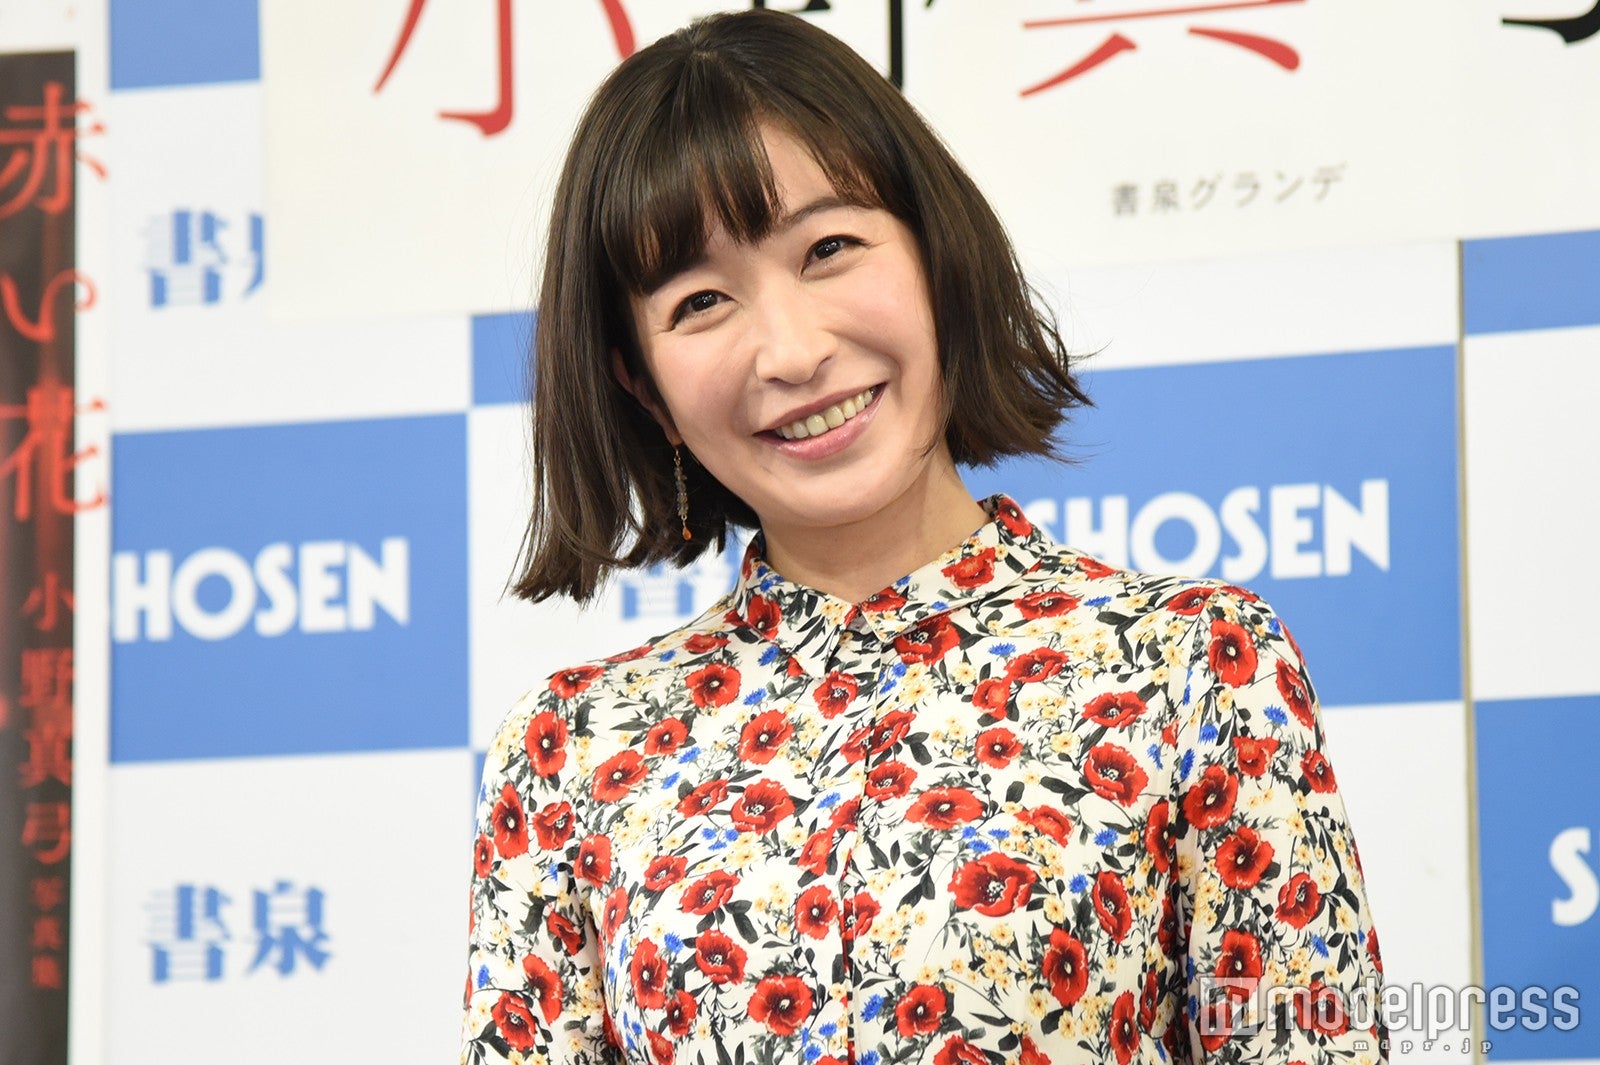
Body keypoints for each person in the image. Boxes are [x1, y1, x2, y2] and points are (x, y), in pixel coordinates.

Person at [462, 10, 1387, 1065]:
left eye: (828, 248)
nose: (792, 352)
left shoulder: (1194, 665)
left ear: (937, 255)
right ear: (644, 387)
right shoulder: (570, 753)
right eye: (701, 301)